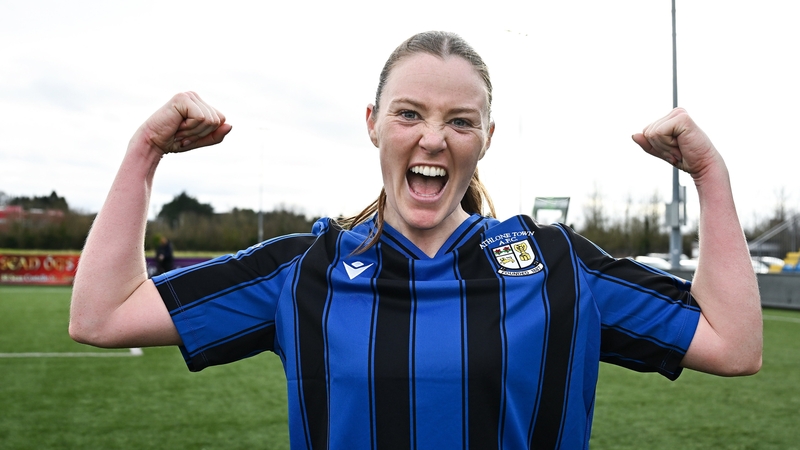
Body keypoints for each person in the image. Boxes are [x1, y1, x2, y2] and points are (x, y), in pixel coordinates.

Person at [69, 31, 762, 449]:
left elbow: (733, 344)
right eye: (410, 114)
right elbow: (103, 316)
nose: (433, 137)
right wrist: (144, 151)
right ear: (373, 122)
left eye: (460, 121)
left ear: (485, 139)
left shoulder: (561, 268)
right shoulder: (302, 270)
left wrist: (710, 175)